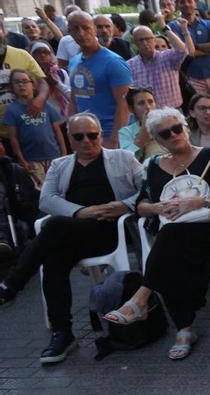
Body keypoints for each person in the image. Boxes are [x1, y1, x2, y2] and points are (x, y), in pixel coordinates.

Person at [0, 114, 143, 364]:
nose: (87, 141)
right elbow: (46, 200)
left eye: (92, 135)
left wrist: (121, 206)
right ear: (70, 139)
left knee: (53, 227)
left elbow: (147, 189)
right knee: (54, 259)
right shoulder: (60, 165)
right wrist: (80, 212)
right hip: (74, 231)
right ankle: (62, 332)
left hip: (110, 231)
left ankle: (11, 285)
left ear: (100, 134)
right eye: (79, 136)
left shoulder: (124, 158)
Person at [101, 107, 210, 359]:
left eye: (177, 128)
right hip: (172, 234)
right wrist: (156, 207)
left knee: (166, 245)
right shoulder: (154, 165)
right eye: (166, 133)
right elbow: (141, 205)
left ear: (186, 128)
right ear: (158, 140)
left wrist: (198, 202)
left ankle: (145, 300)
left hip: (205, 232)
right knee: (170, 247)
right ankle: (183, 328)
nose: (174, 135)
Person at [66, 11, 132, 148]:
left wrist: (114, 141)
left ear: (94, 29)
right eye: (75, 28)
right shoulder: (74, 62)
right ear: (69, 32)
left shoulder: (113, 62)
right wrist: (71, 132)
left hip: (108, 136)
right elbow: (74, 99)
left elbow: (124, 105)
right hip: (84, 137)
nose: (81, 33)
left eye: (86, 28)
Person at [3, 68, 67, 187]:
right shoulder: (12, 110)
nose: (21, 85)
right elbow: (14, 139)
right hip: (32, 160)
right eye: (16, 82)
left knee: (59, 187)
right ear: (12, 86)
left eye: (25, 81)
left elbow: (57, 131)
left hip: (54, 156)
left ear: (33, 85)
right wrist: (22, 161)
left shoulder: (46, 106)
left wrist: (63, 154)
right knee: (40, 191)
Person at [169, 0, 210, 107]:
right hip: (192, 78)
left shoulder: (208, 24)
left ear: (195, 4)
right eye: (182, 2)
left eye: (189, 1)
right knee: (201, 111)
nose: (186, 4)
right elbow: (185, 53)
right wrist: (208, 48)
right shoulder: (173, 27)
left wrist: (193, 46)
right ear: (177, 5)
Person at [128, 22, 193, 109]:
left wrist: (165, 28)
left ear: (154, 40)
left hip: (172, 111)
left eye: (148, 39)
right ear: (134, 43)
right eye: (140, 40)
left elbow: (183, 50)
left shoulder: (167, 57)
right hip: (148, 114)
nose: (145, 43)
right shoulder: (130, 65)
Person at [117, 87, 159, 161]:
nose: (148, 107)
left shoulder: (168, 123)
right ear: (131, 109)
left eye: (151, 102)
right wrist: (142, 135)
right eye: (141, 103)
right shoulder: (125, 132)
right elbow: (126, 160)